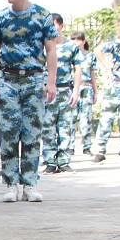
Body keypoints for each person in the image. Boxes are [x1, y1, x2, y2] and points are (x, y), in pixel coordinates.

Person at [0, 0, 59, 203]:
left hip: (34, 80)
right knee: (7, 133)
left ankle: (29, 183)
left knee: (31, 133)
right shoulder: (0, 18)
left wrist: (51, 82)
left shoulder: (42, 16)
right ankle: (10, 184)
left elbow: (51, 50)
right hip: (8, 80)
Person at [41, 30, 82, 174]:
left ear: (61, 27)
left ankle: (64, 161)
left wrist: (76, 91)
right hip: (47, 92)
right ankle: (50, 161)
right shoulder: (42, 46)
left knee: (66, 127)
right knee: (47, 128)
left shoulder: (71, 47)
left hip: (65, 90)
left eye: (54, 26)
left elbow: (78, 69)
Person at [93, 32, 120, 163]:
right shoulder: (117, 44)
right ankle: (100, 150)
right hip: (114, 85)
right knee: (106, 119)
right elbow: (97, 50)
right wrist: (107, 67)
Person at [75, 33, 99, 156]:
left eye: (78, 40)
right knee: (71, 119)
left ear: (83, 41)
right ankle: (69, 147)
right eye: (73, 40)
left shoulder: (90, 56)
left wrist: (95, 91)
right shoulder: (71, 55)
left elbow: (93, 74)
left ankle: (87, 146)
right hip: (74, 89)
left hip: (87, 87)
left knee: (86, 118)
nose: (76, 42)